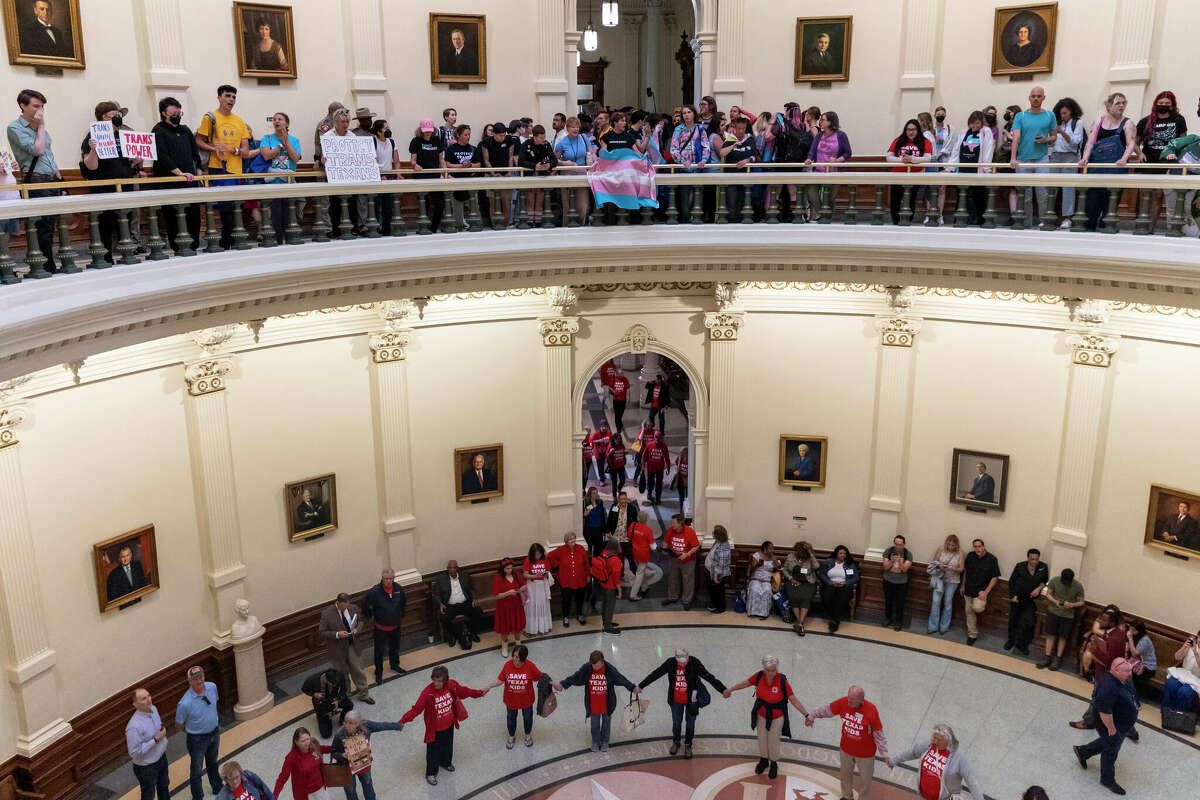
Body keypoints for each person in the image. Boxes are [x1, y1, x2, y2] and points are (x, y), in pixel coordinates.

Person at [722, 655, 813, 780]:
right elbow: (745, 683)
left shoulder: (782, 680)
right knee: (762, 739)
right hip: (761, 715)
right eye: (768, 670)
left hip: (777, 717)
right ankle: (764, 760)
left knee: (773, 741)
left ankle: (774, 763)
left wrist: (806, 714)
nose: (771, 673)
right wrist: (730, 690)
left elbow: (793, 698)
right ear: (764, 668)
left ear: (777, 669)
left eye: (773, 670)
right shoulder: (759, 676)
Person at [398, 665, 489, 785]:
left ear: (445, 680)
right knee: (432, 752)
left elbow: (464, 691)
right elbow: (416, 709)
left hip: (449, 724)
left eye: (439, 681)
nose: (436, 683)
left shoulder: (451, 685)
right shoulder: (427, 693)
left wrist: (479, 693)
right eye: (434, 680)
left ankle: (446, 762)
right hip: (434, 729)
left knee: (448, 745)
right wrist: (402, 720)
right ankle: (431, 773)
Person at [80, 100, 141, 264]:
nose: (117, 118)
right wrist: (93, 149)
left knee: (126, 223)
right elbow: (90, 166)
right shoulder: (92, 136)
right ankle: (105, 259)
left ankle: (128, 255)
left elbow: (133, 161)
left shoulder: (124, 134)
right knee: (105, 225)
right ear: (102, 118)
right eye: (113, 115)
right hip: (104, 187)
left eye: (118, 115)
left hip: (125, 185)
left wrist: (137, 158)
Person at [637, 648, 726, 759]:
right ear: (676, 658)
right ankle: (676, 741)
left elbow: (709, 677)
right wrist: (641, 685)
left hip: (692, 700)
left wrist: (722, 689)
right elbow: (656, 674)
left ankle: (688, 744)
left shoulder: (694, 662)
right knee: (676, 723)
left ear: (688, 658)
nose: (682, 664)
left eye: (684, 662)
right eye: (680, 662)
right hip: (675, 700)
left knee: (690, 724)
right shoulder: (670, 663)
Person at [7, 88, 60, 272]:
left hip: (52, 179)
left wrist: (59, 177)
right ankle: (44, 266)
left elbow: (49, 155)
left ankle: (49, 263)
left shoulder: (39, 127)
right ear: (23, 106)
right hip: (36, 180)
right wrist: (42, 126)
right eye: (36, 106)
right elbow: (38, 151)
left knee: (51, 224)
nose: (41, 110)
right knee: (41, 225)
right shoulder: (15, 128)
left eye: (42, 106)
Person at [195, 84, 250, 250]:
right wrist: (215, 149)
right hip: (217, 167)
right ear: (219, 97)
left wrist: (233, 149)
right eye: (227, 96)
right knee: (224, 206)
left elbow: (246, 151)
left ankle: (229, 240)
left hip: (235, 169)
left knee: (233, 206)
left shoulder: (240, 121)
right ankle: (227, 241)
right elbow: (199, 140)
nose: (231, 99)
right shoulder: (210, 118)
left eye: (233, 97)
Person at [1072, 657, 1138, 796]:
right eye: (1126, 671)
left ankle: (1083, 751)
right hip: (1111, 724)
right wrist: (1111, 729)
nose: (1130, 673)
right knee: (1111, 749)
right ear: (1116, 670)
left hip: (1121, 723)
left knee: (1109, 742)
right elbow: (1104, 711)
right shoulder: (1109, 687)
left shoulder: (1121, 678)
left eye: (1129, 670)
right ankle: (1107, 780)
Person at [810, 685, 888, 800]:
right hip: (846, 749)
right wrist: (813, 715)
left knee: (865, 780)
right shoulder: (843, 703)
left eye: (852, 699)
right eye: (848, 697)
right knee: (845, 775)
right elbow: (827, 710)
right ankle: (847, 796)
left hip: (865, 754)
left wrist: (884, 754)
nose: (849, 701)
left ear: (861, 700)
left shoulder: (871, 710)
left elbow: (878, 734)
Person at [554, 650, 639, 752]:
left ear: (602, 661)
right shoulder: (587, 669)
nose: (596, 668)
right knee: (594, 725)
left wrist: (632, 687)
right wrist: (562, 684)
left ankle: (605, 741)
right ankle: (595, 741)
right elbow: (575, 677)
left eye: (598, 666)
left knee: (606, 723)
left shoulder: (609, 669)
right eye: (594, 666)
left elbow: (621, 678)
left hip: (607, 704)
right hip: (593, 705)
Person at [1079, 93, 1137, 231]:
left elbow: (1131, 143)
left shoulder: (1128, 123)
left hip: (1115, 169)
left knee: (1109, 206)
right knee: (1091, 206)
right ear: (1108, 105)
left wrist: (1123, 159)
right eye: (1118, 103)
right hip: (1096, 170)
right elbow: (1090, 142)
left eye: (1124, 103)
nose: (1122, 106)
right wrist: (1085, 157)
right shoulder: (1099, 121)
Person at [887, 723, 983, 800]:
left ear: (948, 741)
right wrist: (893, 761)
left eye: (939, 740)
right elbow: (911, 753)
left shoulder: (959, 758)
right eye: (934, 737)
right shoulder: (928, 746)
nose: (935, 742)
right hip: (924, 796)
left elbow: (972, 782)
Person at [1137, 90, 1186, 232]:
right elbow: (1135, 141)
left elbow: (1183, 141)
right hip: (1148, 161)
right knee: (1145, 194)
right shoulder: (1145, 121)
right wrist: (1139, 153)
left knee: (1158, 194)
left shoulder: (1178, 120)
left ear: (1172, 105)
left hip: (1167, 162)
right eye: (1160, 103)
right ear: (1155, 104)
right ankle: (1142, 224)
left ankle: (1150, 227)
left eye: (1166, 103)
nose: (1163, 105)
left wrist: (1176, 156)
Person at [1071, 605, 1127, 729]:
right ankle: (1126, 727)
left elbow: (1108, 661)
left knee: (1097, 698)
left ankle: (1088, 722)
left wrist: (1094, 651)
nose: (1100, 621)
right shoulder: (1112, 633)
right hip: (1104, 673)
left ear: (1112, 622)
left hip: (1106, 675)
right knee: (1107, 700)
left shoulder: (1115, 638)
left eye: (1104, 619)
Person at [1009, 86, 1057, 226]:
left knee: (1043, 194)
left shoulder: (1050, 115)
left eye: (1039, 96)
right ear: (1029, 97)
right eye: (1033, 96)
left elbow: (1054, 137)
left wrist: (1045, 140)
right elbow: (1016, 138)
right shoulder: (1020, 116)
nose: (1036, 98)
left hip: (1042, 158)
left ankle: (1044, 222)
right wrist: (1013, 157)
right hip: (1023, 159)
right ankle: (1027, 223)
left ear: (1043, 97)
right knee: (1025, 196)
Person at [330, 710, 403, 798]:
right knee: (350, 790)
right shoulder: (339, 734)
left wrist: (398, 726)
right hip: (346, 767)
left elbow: (382, 726)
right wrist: (342, 756)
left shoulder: (367, 725)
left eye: (351, 723)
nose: (346, 725)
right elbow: (333, 752)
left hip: (363, 763)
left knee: (367, 782)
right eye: (345, 722)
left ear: (358, 723)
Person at [318, 593, 374, 703]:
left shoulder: (353, 608)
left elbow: (361, 621)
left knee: (358, 670)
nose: (345, 608)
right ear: (338, 603)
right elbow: (322, 631)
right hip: (337, 648)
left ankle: (364, 694)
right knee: (341, 673)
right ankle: (345, 694)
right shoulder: (327, 614)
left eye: (347, 606)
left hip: (352, 645)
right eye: (343, 606)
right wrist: (337, 634)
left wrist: (357, 629)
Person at [176, 666, 222, 800]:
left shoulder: (212, 687)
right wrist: (194, 732)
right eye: (195, 679)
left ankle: (217, 787)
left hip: (214, 732)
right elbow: (179, 724)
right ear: (189, 682)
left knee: (213, 762)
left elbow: (214, 705)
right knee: (196, 770)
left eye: (201, 676)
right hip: (197, 740)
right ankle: (197, 796)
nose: (199, 680)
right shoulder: (185, 703)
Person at [487, 644, 543, 748]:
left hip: (526, 700)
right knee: (511, 718)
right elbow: (500, 680)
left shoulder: (530, 666)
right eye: (514, 655)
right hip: (511, 700)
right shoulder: (507, 665)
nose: (514, 658)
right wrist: (489, 686)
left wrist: (553, 684)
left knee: (527, 718)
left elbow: (541, 677)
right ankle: (511, 736)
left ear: (522, 658)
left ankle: (527, 735)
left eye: (517, 657)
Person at [948, 111, 994, 225]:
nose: (975, 126)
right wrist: (950, 167)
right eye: (972, 123)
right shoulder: (964, 133)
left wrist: (987, 168)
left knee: (978, 195)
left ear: (982, 123)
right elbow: (956, 150)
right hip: (963, 169)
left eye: (977, 123)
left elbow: (988, 150)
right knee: (963, 195)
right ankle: (963, 218)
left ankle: (978, 219)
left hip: (978, 170)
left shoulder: (986, 132)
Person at [361, 568, 406, 685]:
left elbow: (403, 603)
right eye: (386, 579)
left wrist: (400, 615)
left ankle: (395, 665)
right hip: (381, 629)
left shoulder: (398, 589)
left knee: (395, 648)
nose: (389, 581)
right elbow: (365, 605)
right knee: (379, 652)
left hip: (395, 627)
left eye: (391, 578)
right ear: (382, 578)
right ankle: (379, 673)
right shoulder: (374, 592)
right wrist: (370, 616)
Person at [805, 111, 852, 221]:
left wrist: (837, 160)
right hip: (818, 170)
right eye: (820, 119)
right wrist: (809, 159)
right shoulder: (819, 135)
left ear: (831, 122)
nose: (820, 122)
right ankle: (823, 214)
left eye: (823, 120)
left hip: (834, 172)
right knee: (811, 192)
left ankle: (826, 219)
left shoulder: (841, 135)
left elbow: (848, 153)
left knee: (830, 198)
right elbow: (812, 151)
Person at [886, 118, 932, 224]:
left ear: (918, 130)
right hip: (897, 176)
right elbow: (889, 157)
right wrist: (901, 160)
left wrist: (912, 160)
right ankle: (896, 222)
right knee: (895, 200)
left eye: (913, 129)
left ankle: (908, 221)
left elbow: (927, 158)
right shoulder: (898, 140)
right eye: (908, 129)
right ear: (905, 130)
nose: (911, 132)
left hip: (914, 176)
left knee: (911, 199)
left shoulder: (925, 142)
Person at [669, 104, 711, 223]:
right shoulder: (678, 129)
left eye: (689, 112)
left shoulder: (700, 129)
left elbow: (706, 146)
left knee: (697, 198)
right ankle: (685, 221)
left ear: (694, 114)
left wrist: (703, 160)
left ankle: (696, 221)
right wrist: (682, 161)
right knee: (684, 199)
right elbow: (674, 149)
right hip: (684, 170)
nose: (686, 115)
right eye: (684, 113)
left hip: (698, 168)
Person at [1038, 568, 1085, 670]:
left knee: (1062, 637)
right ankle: (1047, 657)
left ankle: (1058, 659)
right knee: (1050, 634)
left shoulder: (1078, 586)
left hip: (1067, 615)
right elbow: (1048, 594)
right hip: (1053, 612)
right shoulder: (1055, 580)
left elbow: (1082, 602)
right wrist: (1055, 601)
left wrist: (1072, 604)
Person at [126, 688, 169, 800]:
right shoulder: (133, 726)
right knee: (148, 795)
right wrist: (155, 740)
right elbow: (134, 752)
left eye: (149, 696)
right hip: (147, 767)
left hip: (161, 758)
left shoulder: (154, 709)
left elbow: (158, 728)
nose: (149, 700)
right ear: (135, 704)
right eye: (143, 699)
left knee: (164, 787)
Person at [1050, 97, 1086, 228]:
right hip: (1054, 156)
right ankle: (1049, 215)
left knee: (1068, 188)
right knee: (1051, 187)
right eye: (1061, 113)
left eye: (1065, 113)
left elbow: (1075, 141)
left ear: (1071, 111)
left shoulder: (1077, 123)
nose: (1063, 116)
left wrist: (1061, 132)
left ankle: (1067, 218)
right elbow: (1053, 141)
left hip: (1070, 157)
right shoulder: (1057, 123)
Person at [1006, 548, 1049, 656]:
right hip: (1017, 598)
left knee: (1030, 623)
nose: (1034, 561)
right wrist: (1013, 596)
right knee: (1013, 620)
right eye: (1032, 559)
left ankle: (1022, 644)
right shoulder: (1020, 566)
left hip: (1030, 600)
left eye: (1036, 559)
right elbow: (1012, 582)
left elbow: (1044, 581)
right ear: (1028, 558)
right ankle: (1011, 640)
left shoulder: (1043, 567)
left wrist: (1038, 589)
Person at [717, 115, 759, 223]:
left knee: (744, 203)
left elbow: (755, 156)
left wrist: (746, 161)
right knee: (731, 204)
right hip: (731, 177)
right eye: (738, 128)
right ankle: (732, 224)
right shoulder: (730, 139)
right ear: (734, 128)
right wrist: (733, 146)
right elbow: (722, 153)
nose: (741, 131)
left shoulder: (750, 140)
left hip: (746, 178)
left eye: (743, 129)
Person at [433, 559, 483, 649]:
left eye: (454, 567)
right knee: (444, 617)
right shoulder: (441, 579)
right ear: (447, 569)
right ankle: (452, 636)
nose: (452, 570)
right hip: (450, 606)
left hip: (465, 603)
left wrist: (474, 598)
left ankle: (473, 633)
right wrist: (440, 603)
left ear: (457, 568)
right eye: (450, 568)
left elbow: (472, 588)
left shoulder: (465, 575)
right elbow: (436, 594)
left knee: (478, 611)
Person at [409, 117, 446, 233]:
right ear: (421, 130)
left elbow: (441, 159)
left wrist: (445, 172)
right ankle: (424, 227)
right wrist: (415, 165)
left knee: (440, 203)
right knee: (424, 203)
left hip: (435, 177)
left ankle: (434, 227)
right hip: (421, 177)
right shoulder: (416, 141)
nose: (428, 133)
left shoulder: (437, 141)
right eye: (425, 130)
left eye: (430, 130)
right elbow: (413, 160)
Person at [961, 538, 1000, 646]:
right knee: (969, 612)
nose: (977, 549)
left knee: (977, 608)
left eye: (979, 546)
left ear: (984, 546)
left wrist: (986, 592)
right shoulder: (970, 556)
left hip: (981, 592)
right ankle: (972, 635)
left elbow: (994, 577)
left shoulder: (992, 559)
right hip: (968, 589)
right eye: (975, 546)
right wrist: (963, 585)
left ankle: (973, 630)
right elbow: (966, 572)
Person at [554, 116, 592, 225]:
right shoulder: (562, 143)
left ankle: (582, 226)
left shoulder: (584, 138)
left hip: (582, 173)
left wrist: (591, 162)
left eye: (577, 127)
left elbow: (590, 154)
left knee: (583, 205)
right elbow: (555, 160)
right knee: (568, 206)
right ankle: (567, 228)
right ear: (568, 128)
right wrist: (565, 163)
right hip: (567, 173)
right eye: (573, 127)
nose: (576, 129)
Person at [274, 727, 330, 800]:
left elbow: (323, 748)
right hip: (305, 794)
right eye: (303, 741)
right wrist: (274, 795)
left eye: (308, 739)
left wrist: (340, 749)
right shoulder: (291, 757)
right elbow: (282, 778)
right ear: (296, 742)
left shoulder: (313, 745)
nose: (307, 743)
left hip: (320, 788)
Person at [517, 124, 557, 226]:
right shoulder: (527, 144)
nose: (543, 139)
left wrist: (549, 165)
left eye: (544, 137)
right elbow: (520, 162)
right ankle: (530, 221)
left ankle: (538, 221)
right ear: (534, 137)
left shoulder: (546, 145)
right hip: (530, 175)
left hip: (542, 175)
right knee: (530, 199)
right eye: (541, 138)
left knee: (540, 199)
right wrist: (535, 166)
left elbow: (554, 160)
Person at [441, 124, 479, 231]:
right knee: (457, 206)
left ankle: (475, 225)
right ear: (458, 135)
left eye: (469, 135)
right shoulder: (451, 149)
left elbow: (478, 164)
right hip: (456, 181)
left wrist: (470, 165)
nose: (468, 137)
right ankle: (458, 226)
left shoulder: (473, 149)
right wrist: (461, 166)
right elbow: (447, 164)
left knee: (474, 204)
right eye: (465, 134)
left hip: (470, 181)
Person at [548, 532, 589, 626]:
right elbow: (550, 557)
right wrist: (557, 565)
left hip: (580, 580)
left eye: (574, 538)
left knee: (580, 599)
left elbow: (586, 563)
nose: (573, 541)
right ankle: (565, 617)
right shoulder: (560, 550)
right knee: (566, 600)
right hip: (566, 581)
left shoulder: (581, 548)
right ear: (566, 541)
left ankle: (579, 615)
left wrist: (587, 575)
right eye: (570, 539)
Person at [480, 122, 518, 224]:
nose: (503, 138)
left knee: (506, 202)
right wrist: (493, 173)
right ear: (494, 134)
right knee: (493, 202)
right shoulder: (486, 142)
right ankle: (494, 224)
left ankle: (505, 224)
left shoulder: (509, 140)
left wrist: (509, 172)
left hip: (506, 174)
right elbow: (486, 160)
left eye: (504, 135)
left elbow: (510, 157)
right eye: (500, 136)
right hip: (491, 174)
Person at [926, 534, 963, 635]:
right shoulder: (941, 549)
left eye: (953, 545)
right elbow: (934, 563)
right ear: (946, 543)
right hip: (939, 579)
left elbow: (961, 569)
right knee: (935, 602)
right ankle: (933, 626)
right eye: (949, 544)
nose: (950, 547)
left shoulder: (960, 553)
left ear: (956, 545)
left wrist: (954, 569)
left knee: (947, 603)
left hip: (952, 581)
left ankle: (944, 627)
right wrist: (940, 566)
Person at [301, 667, 353, 739]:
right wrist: (314, 694)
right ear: (325, 679)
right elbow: (304, 689)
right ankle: (324, 716)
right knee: (326, 734)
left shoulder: (340, 675)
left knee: (349, 704)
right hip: (321, 703)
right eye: (332, 684)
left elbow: (344, 689)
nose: (334, 686)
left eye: (336, 684)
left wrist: (338, 699)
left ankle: (342, 720)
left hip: (334, 698)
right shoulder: (312, 680)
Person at [781, 540, 819, 635]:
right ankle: (800, 623)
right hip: (792, 581)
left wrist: (811, 554)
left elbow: (817, 566)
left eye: (803, 552)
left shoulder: (810, 558)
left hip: (808, 582)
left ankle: (799, 623)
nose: (800, 554)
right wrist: (790, 578)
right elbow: (784, 570)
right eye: (798, 552)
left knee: (805, 598)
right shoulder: (790, 557)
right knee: (794, 597)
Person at [818, 544, 859, 633]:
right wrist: (830, 582)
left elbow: (856, 577)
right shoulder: (828, 562)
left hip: (844, 586)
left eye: (844, 553)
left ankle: (834, 620)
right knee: (827, 596)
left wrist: (845, 582)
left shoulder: (850, 564)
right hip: (830, 584)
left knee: (842, 598)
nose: (843, 555)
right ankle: (835, 618)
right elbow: (822, 574)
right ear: (836, 554)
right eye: (840, 553)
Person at [662, 513, 700, 609]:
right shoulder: (671, 530)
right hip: (673, 559)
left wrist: (687, 554)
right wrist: (664, 549)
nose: (672, 525)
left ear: (680, 523)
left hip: (688, 561)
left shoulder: (689, 531)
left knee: (687, 580)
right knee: (672, 579)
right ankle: (672, 597)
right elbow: (666, 541)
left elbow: (696, 546)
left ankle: (687, 600)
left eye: (674, 523)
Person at [493, 559, 526, 656]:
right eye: (507, 568)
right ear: (502, 569)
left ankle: (518, 645)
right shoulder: (498, 578)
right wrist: (508, 593)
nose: (510, 570)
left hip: (517, 605)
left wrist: (520, 589)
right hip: (504, 608)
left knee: (517, 626)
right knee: (505, 628)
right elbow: (496, 595)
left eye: (511, 568)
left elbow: (524, 585)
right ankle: (504, 646)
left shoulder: (517, 575)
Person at [592, 536, 624, 634]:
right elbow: (616, 576)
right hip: (610, 585)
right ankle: (608, 627)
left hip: (603, 583)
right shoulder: (616, 560)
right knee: (610, 605)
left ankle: (606, 621)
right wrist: (619, 589)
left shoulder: (604, 553)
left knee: (605, 603)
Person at [1162, 630, 1200, 713]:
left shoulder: (1194, 650)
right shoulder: (1191, 645)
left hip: (1196, 679)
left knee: (1184, 692)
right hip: (1183, 674)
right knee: (1170, 684)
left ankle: (1180, 717)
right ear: (1197, 637)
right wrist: (1184, 646)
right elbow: (1177, 657)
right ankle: (1167, 713)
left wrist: (1195, 653)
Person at [628, 511, 661, 601]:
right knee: (640, 573)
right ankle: (633, 595)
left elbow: (628, 537)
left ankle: (645, 587)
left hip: (634, 552)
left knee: (641, 570)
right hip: (643, 555)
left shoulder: (632, 525)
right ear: (646, 519)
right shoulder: (647, 530)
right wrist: (658, 555)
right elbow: (653, 546)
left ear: (638, 518)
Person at [881, 534, 913, 631]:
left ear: (904, 544)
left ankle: (898, 622)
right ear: (894, 543)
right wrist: (891, 561)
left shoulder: (908, 554)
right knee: (888, 601)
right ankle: (888, 619)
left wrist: (899, 562)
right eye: (896, 544)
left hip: (901, 583)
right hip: (888, 580)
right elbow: (886, 567)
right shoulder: (888, 551)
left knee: (900, 603)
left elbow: (904, 570)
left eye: (900, 544)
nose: (898, 546)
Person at [522, 543, 553, 636]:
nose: (538, 556)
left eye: (540, 554)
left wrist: (545, 574)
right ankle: (532, 629)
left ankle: (543, 627)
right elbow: (525, 574)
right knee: (532, 606)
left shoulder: (545, 559)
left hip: (542, 585)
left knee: (543, 605)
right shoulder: (528, 560)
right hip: (532, 586)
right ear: (532, 554)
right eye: (536, 554)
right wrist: (534, 575)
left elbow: (548, 571)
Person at [745, 541, 778, 619]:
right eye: (771, 548)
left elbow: (778, 568)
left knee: (766, 590)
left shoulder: (773, 557)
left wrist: (776, 564)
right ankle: (752, 611)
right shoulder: (756, 555)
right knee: (754, 589)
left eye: (773, 548)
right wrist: (758, 565)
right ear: (765, 548)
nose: (772, 550)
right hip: (756, 578)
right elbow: (752, 570)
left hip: (767, 580)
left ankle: (764, 613)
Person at [1127, 620, 1157, 697]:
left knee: (1127, 670)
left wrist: (1130, 638)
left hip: (1148, 668)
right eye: (1130, 629)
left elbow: (1134, 654)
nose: (1130, 632)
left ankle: (1133, 693)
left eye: (1133, 630)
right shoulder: (1136, 637)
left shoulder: (1145, 640)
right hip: (1138, 663)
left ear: (1139, 631)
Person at [606, 490, 634, 566]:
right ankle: (620, 571)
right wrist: (608, 532)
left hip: (626, 537)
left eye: (625, 499)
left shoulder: (631, 508)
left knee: (628, 554)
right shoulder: (614, 507)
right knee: (618, 555)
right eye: (621, 499)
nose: (623, 501)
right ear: (618, 499)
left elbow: (635, 522)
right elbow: (610, 519)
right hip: (616, 536)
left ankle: (632, 569)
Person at [642, 431, 670, 506]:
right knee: (650, 482)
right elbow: (644, 456)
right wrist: (643, 465)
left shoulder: (664, 446)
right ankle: (649, 494)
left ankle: (658, 498)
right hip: (651, 468)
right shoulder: (649, 445)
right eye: (656, 437)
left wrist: (668, 467)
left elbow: (667, 458)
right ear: (654, 437)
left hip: (659, 469)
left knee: (659, 484)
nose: (657, 439)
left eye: (658, 438)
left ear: (661, 438)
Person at [582, 485, 607, 556]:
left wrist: (604, 529)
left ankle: (597, 563)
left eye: (596, 492)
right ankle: (589, 564)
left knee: (598, 549)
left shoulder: (600, 502)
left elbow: (603, 516)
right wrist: (585, 515)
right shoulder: (586, 504)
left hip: (598, 529)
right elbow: (583, 516)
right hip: (589, 530)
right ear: (590, 494)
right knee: (589, 549)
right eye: (594, 493)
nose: (596, 494)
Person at [605, 432, 627, 497]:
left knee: (623, 480)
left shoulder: (622, 445)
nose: (617, 441)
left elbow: (622, 453)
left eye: (619, 439)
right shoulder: (610, 447)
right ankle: (614, 496)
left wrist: (625, 453)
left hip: (621, 466)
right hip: (613, 467)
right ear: (613, 440)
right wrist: (610, 453)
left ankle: (619, 488)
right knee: (614, 483)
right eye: (616, 439)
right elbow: (607, 458)